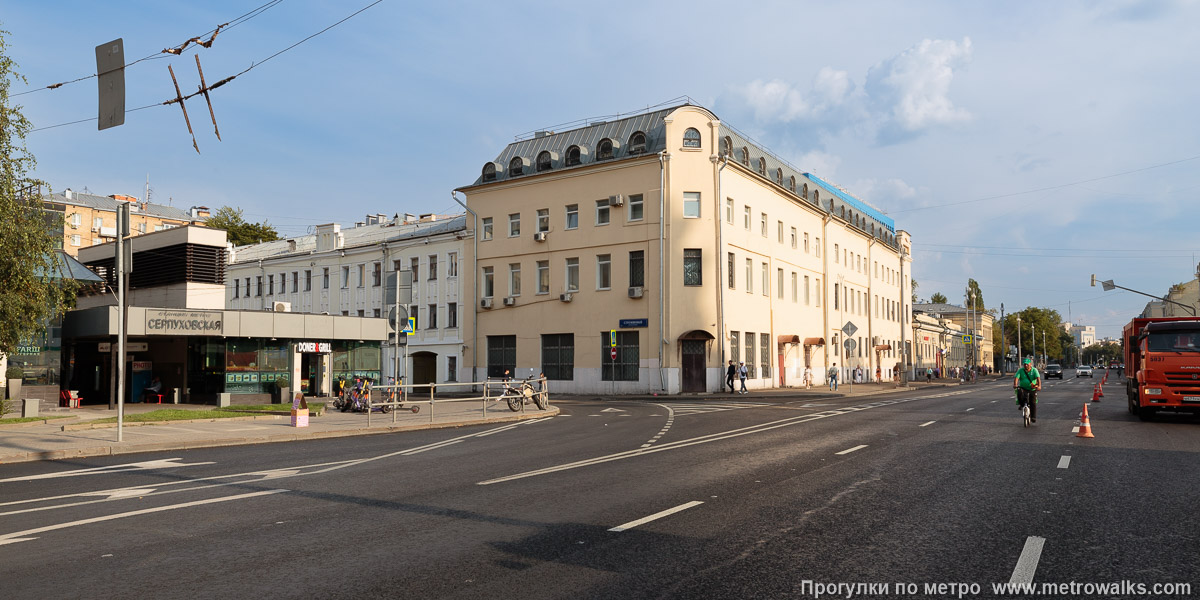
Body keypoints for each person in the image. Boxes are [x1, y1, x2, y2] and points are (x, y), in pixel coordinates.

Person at [1013, 357, 1042, 424]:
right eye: (1024, 364)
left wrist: (1039, 386)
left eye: (1027, 364)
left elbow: (1038, 379)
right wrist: (1015, 384)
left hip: (1032, 388)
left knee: (1033, 402)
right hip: (1023, 388)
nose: (1026, 365)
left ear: (1030, 364)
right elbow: (1016, 378)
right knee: (1019, 392)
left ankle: (1033, 417)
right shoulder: (1021, 370)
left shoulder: (1034, 370)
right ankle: (1022, 404)